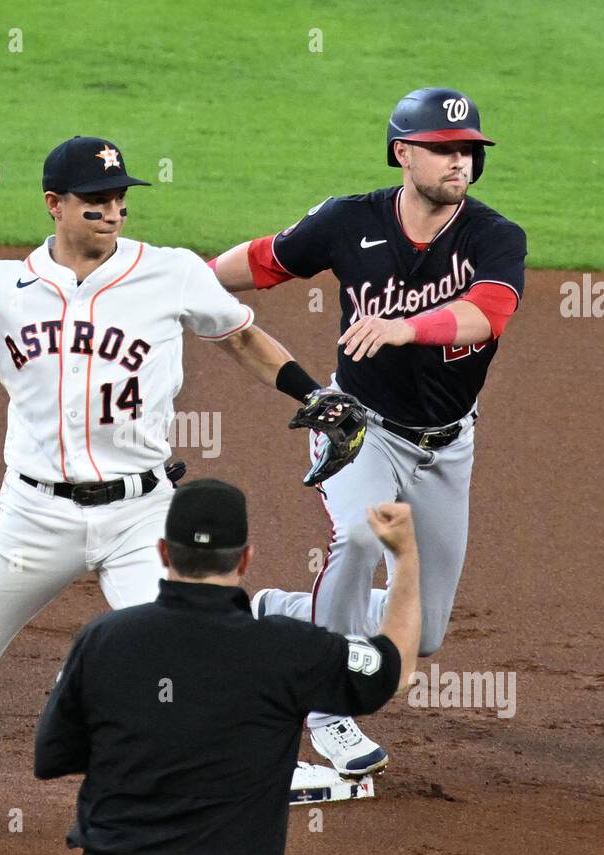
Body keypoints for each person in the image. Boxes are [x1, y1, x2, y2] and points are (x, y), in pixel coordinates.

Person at [0, 136, 362, 832]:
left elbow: (242, 335)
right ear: (54, 205)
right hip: (34, 514)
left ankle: (255, 768)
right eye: (96, 199)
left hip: (142, 517)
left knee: (186, 655)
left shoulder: (169, 273)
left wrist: (314, 395)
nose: (113, 209)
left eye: (120, 197)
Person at [208, 87, 528, 774]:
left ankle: (286, 610)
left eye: (469, 150)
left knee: (427, 632)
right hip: (359, 428)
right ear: (402, 153)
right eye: (444, 150)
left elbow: (488, 315)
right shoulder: (348, 222)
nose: (460, 161)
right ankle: (327, 706)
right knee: (355, 538)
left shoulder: (495, 237)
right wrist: (181, 282)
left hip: (447, 446)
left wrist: (405, 327)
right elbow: (262, 262)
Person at [33, 479, 421, 855]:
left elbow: (53, 756)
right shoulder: (292, 650)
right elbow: (396, 670)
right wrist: (405, 558)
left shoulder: (102, 640)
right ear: (245, 559)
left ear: (164, 553)